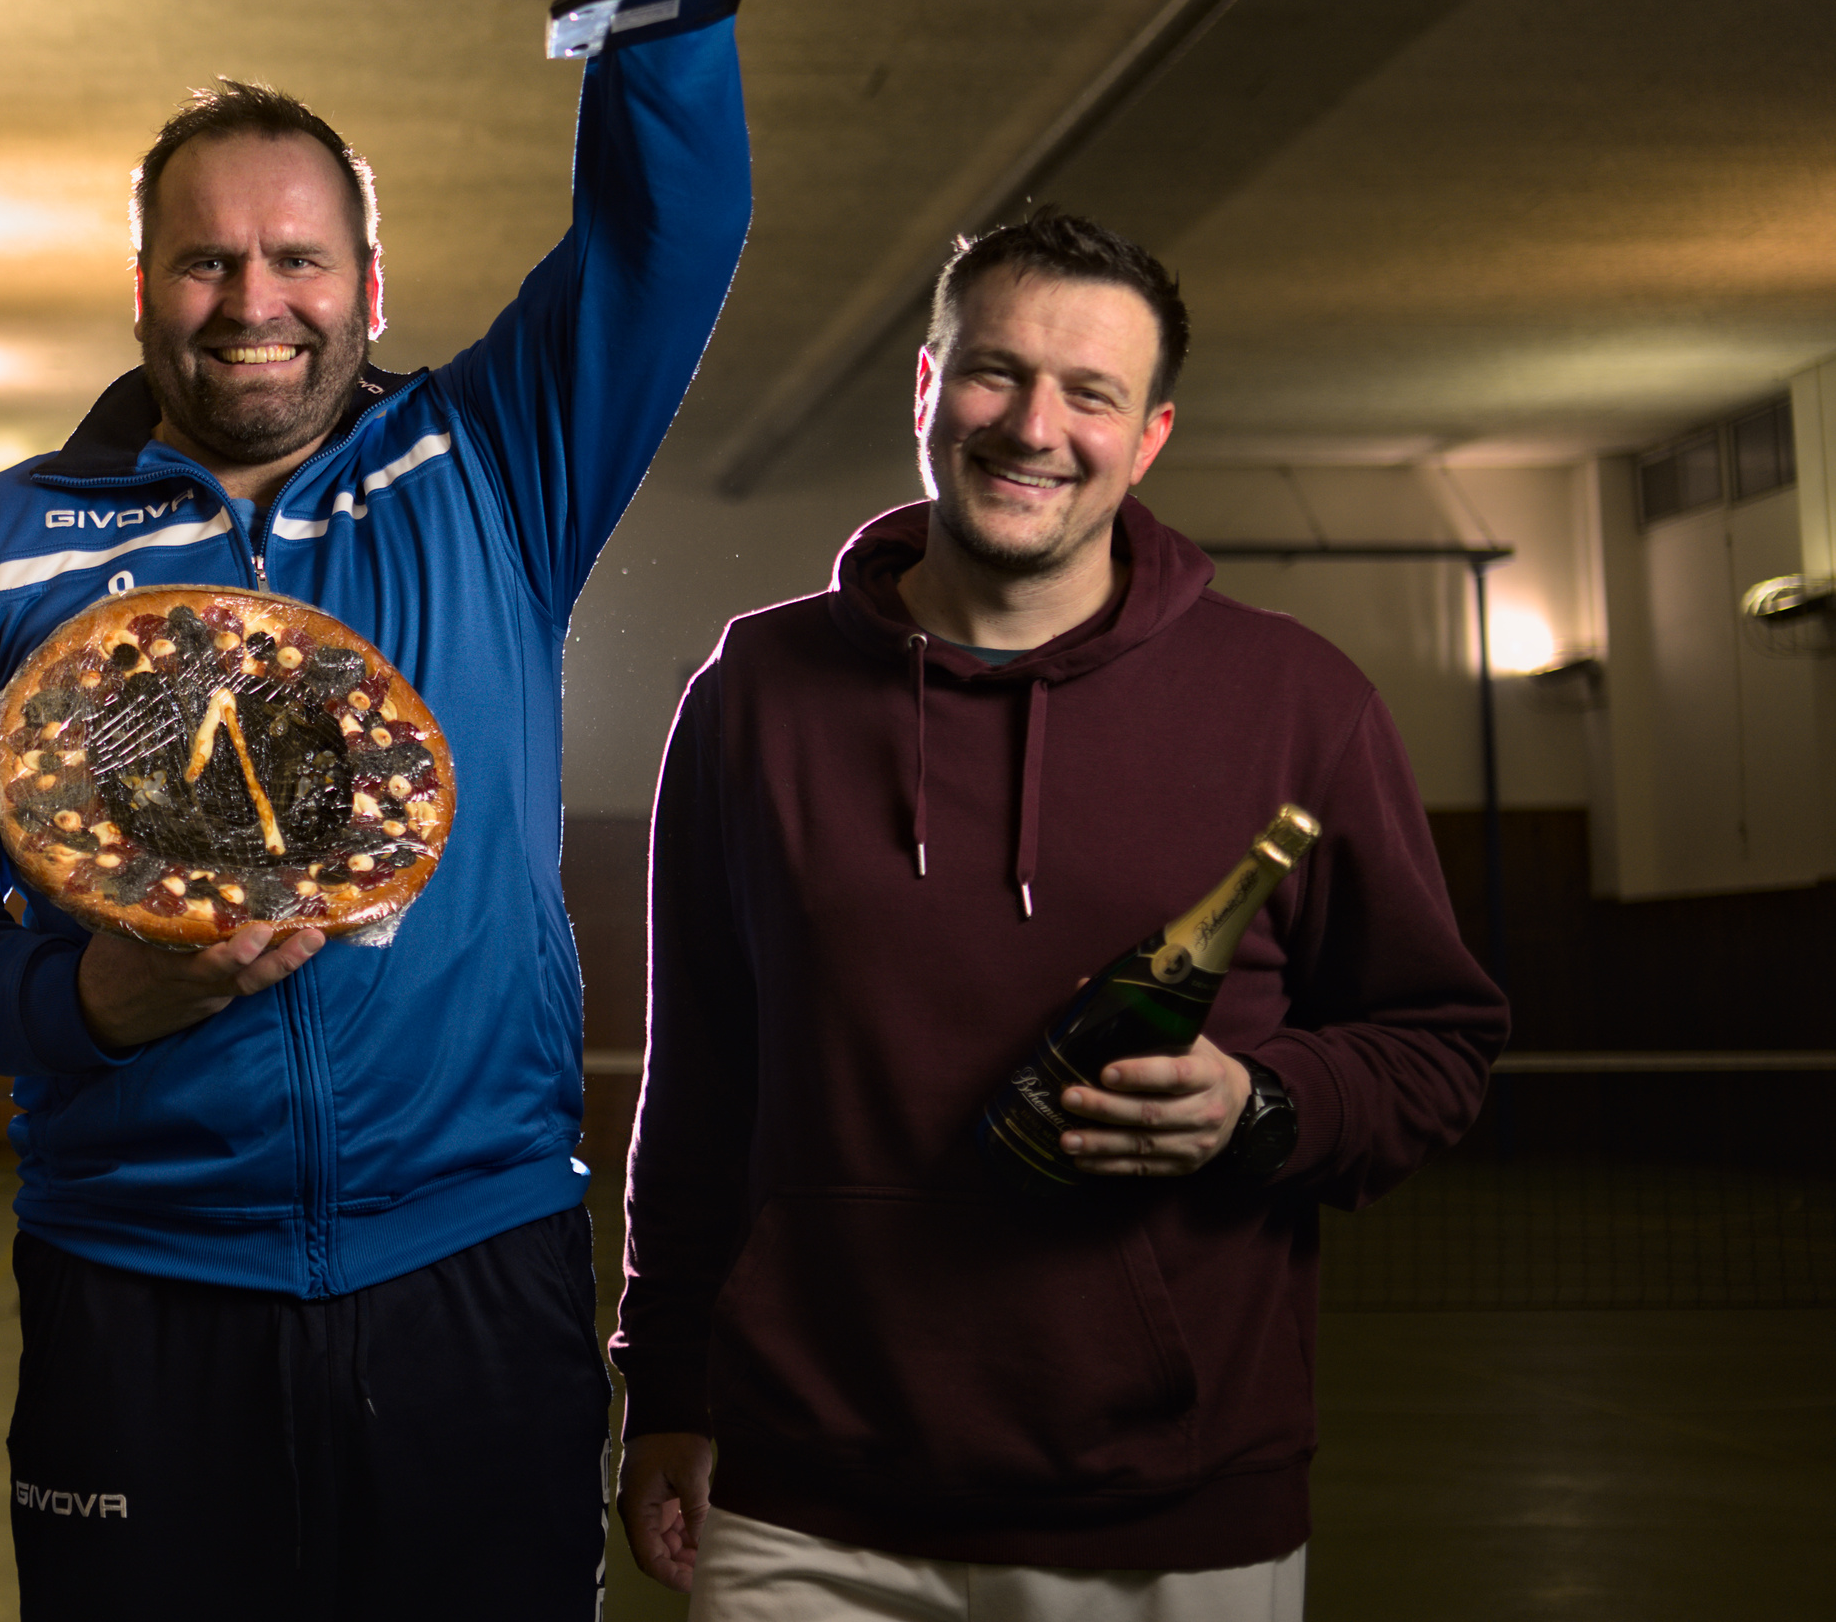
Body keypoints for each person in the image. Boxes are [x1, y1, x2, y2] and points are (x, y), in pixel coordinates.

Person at [0, 0, 753, 1618]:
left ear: (369, 281)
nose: (252, 300)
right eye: (207, 259)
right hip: (134, 1291)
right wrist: (88, 1007)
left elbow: (665, 222)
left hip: (472, 1268)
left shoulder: (493, 463)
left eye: (296, 258)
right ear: (140, 288)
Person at [615, 211, 1511, 1619]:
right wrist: (665, 1381)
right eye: (996, 372)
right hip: (803, 1499)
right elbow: (700, 1082)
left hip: (1171, 1510)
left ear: (1148, 438)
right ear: (928, 388)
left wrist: (1259, 1108)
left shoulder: (1296, 703)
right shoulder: (754, 699)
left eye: (1090, 393)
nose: (1034, 427)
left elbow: (1434, 1041)